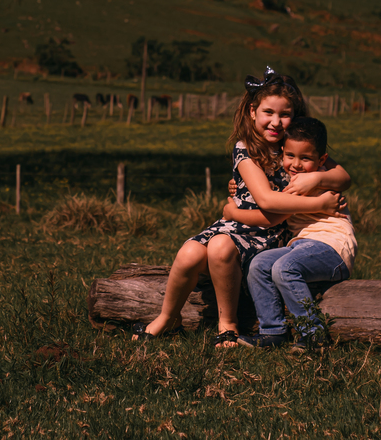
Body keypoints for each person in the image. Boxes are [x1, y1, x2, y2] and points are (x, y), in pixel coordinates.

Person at [133, 66, 349, 348]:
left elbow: (344, 177)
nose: (276, 122)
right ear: (252, 112)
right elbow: (267, 200)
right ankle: (167, 317)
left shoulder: (297, 146)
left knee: (220, 247)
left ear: (295, 116)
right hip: (240, 222)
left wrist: (317, 178)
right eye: (268, 113)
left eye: (285, 115)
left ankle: (228, 323)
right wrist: (318, 202)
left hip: (268, 233)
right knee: (188, 253)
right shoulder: (245, 147)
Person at [223, 116, 356, 350]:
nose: (296, 164)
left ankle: (313, 334)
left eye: (305, 158)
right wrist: (236, 183)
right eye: (291, 156)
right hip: (302, 245)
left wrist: (233, 213)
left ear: (321, 160)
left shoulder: (306, 182)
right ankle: (272, 331)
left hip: (333, 248)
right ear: (282, 152)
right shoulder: (294, 179)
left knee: (284, 268)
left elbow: (270, 216)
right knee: (258, 265)